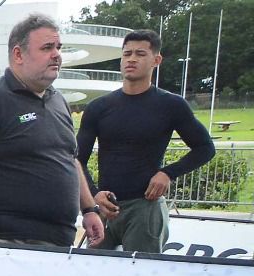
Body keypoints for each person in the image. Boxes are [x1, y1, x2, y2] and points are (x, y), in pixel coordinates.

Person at [0, 14, 105, 247]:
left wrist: (89, 209)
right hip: (5, 242)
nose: (56, 54)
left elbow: (70, 158)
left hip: (56, 241)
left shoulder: (59, 102)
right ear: (18, 54)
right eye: (47, 47)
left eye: (58, 47)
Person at [77, 29, 216, 254]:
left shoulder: (171, 105)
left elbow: (205, 148)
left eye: (140, 54)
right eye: (127, 54)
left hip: (145, 208)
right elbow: (77, 159)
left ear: (156, 60)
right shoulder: (99, 108)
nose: (131, 59)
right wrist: (93, 194)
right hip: (105, 206)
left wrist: (168, 173)